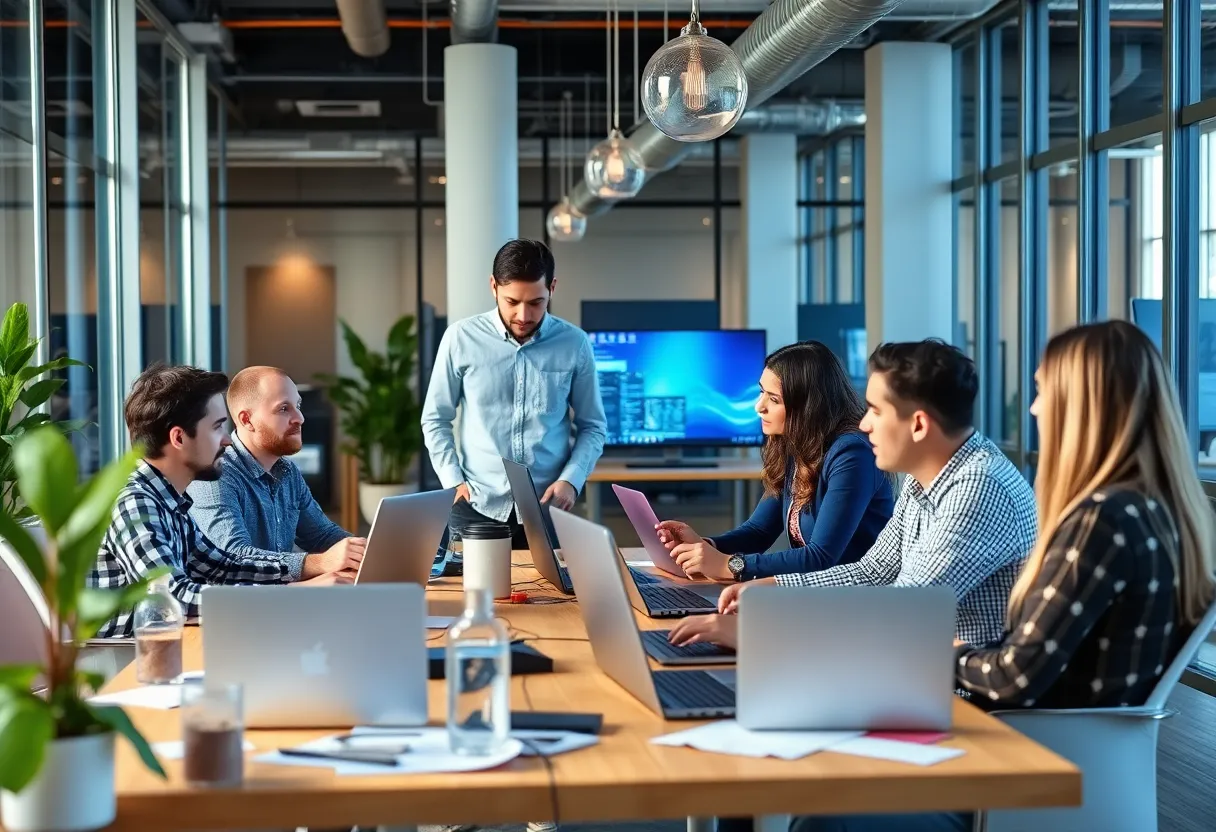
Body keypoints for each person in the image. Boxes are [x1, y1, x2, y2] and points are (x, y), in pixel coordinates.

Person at [787, 322, 1216, 832]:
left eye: (1041, 393)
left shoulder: (1102, 522)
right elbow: (885, 577)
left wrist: (944, 649)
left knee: (819, 810)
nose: (1033, 410)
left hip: (1015, 763)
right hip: (1022, 749)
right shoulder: (1142, 512)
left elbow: (1015, 672)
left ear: (1083, 406)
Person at [670, 339, 1037, 651]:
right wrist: (772, 588)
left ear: (919, 424)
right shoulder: (924, 475)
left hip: (963, 694)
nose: (864, 423)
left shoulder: (977, 489)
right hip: (912, 663)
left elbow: (905, 611)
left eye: (876, 410)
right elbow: (873, 571)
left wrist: (761, 629)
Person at [89, 365, 351, 638]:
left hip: (160, 647)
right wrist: (298, 591)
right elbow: (174, 600)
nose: (226, 439)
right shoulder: (135, 504)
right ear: (179, 438)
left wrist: (321, 572)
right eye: (216, 427)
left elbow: (224, 567)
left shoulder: (170, 501)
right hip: (121, 660)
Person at [655, 341, 894, 584]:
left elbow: (821, 557)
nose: (759, 407)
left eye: (774, 399)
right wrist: (704, 547)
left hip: (852, 600)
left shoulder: (852, 454)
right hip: (811, 596)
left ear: (808, 406)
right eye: (761, 392)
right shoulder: (795, 445)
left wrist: (728, 565)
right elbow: (758, 532)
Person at [421, 238, 607, 550]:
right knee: (474, 598)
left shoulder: (575, 344)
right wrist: (453, 481)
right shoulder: (460, 338)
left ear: (552, 288)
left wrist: (571, 481)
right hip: (475, 504)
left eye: (536, 302)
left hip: (548, 506)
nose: (523, 315)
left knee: (550, 597)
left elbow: (593, 426)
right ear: (494, 287)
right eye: (512, 302)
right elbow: (435, 419)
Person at [188, 366, 365, 583]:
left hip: (278, 605)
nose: (299, 417)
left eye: (298, 406)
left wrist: (369, 554)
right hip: (231, 612)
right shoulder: (215, 475)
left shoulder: (288, 472)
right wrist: (321, 562)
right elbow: (234, 558)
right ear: (246, 420)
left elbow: (322, 535)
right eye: (283, 409)